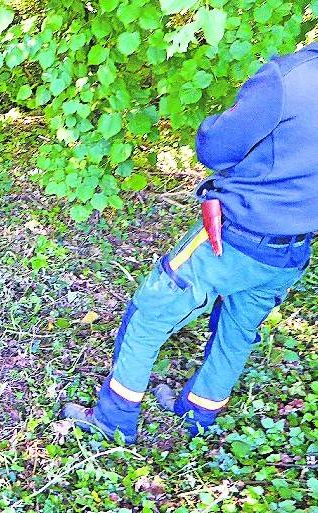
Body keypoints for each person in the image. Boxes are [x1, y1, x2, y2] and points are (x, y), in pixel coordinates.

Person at [62, 43, 318, 443]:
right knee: (238, 330)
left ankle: (113, 420)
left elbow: (216, 147)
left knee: (151, 309)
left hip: (233, 237)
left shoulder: (288, 78)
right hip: (291, 253)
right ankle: (197, 416)